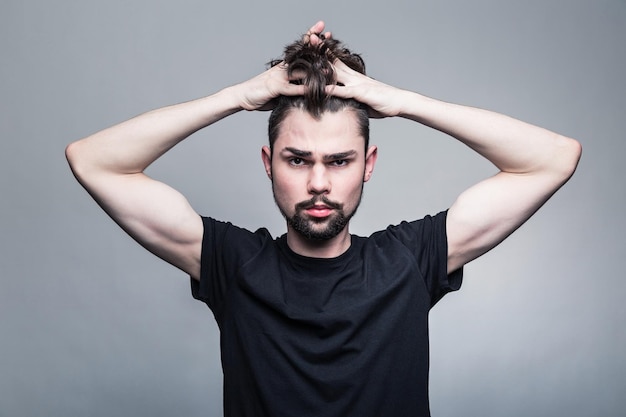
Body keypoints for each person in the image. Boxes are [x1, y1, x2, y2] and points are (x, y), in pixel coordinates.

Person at [66, 21, 581, 417]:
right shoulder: (233, 265)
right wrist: (237, 97)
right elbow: (92, 160)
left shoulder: (410, 260)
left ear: (368, 165)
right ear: (269, 164)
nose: (318, 183)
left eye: (339, 161)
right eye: (297, 159)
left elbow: (553, 157)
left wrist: (399, 101)